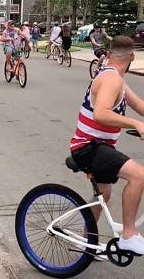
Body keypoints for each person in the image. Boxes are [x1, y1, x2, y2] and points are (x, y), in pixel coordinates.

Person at [70, 36, 144, 254]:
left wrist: (139, 118)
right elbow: (101, 114)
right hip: (88, 147)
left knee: (104, 194)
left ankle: (86, 242)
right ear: (131, 57)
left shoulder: (116, 79)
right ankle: (129, 236)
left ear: (110, 55)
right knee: (139, 175)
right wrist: (135, 124)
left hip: (98, 147)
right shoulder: (112, 80)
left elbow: (140, 106)